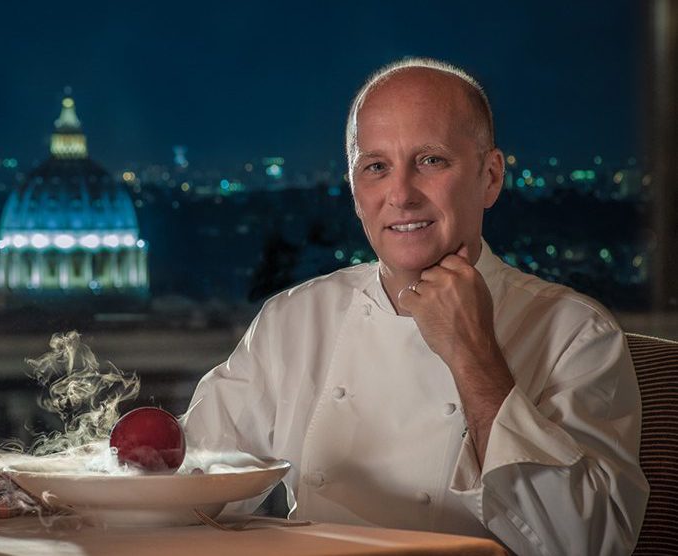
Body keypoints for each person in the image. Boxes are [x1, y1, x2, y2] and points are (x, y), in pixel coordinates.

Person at [182, 58, 649, 556]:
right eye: (376, 167)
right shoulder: (293, 319)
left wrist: (474, 358)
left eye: (431, 161)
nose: (401, 195)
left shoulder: (577, 333)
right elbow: (192, 483)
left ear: (490, 177)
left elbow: (592, 544)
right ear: (355, 190)